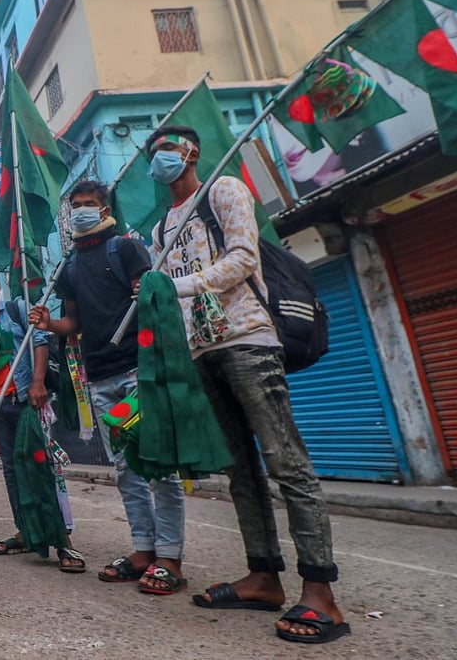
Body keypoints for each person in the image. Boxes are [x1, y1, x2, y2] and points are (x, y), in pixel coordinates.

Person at [146, 126, 347, 643]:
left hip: (247, 339)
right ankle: (263, 575)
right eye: (154, 153)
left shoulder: (224, 190)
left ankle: (321, 590)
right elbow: (167, 298)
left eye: (168, 149)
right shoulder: (162, 228)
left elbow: (243, 258)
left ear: (192, 152)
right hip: (200, 353)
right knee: (239, 470)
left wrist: (178, 284)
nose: (160, 159)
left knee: (286, 461)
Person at [30, 180, 187, 594]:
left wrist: (146, 287)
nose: (83, 210)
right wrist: (48, 324)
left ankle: (169, 557)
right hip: (100, 379)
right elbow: (73, 324)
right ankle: (142, 550)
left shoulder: (127, 249)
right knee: (126, 468)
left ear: (104, 210)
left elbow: (154, 296)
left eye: (90, 204)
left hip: (138, 373)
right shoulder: (69, 267)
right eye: (76, 205)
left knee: (157, 464)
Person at [0, 264, 85, 573]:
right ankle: (26, 531)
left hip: (24, 399)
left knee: (41, 467)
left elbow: (40, 342)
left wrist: (37, 382)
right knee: (12, 471)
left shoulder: (18, 311)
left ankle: (63, 541)